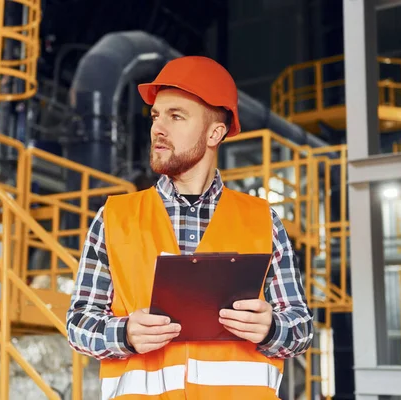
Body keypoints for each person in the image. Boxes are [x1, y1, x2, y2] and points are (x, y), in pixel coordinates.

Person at [66, 56, 313, 399]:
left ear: (215, 132)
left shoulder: (262, 220)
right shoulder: (115, 217)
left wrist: (272, 328)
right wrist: (123, 334)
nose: (158, 128)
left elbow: (301, 328)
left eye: (176, 116)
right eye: (155, 116)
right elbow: (79, 325)